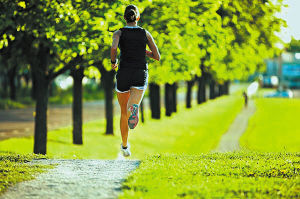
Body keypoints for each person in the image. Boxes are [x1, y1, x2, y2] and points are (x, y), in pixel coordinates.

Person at [110, 5, 160, 157]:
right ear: (137, 18)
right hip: (140, 72)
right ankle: (134, 108)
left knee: (123, 112)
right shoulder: (145, 33)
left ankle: (125, 146)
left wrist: (113, 62)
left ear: (125, 17)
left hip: (124, 72)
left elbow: (113, 48)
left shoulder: (119, 32)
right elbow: (157, 56)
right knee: (133, 103)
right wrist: (145, 52)